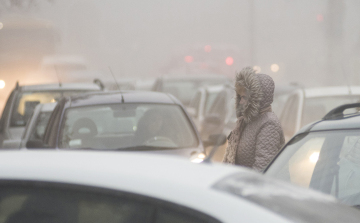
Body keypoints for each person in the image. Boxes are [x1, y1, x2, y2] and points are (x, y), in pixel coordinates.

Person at [223, 67, 285, 172]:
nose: (241, 102)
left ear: (256, 99)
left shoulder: (269, 124)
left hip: (257, 187)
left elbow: (262, 169)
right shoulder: (247, 122)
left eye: (244, 97)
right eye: (240, 97)